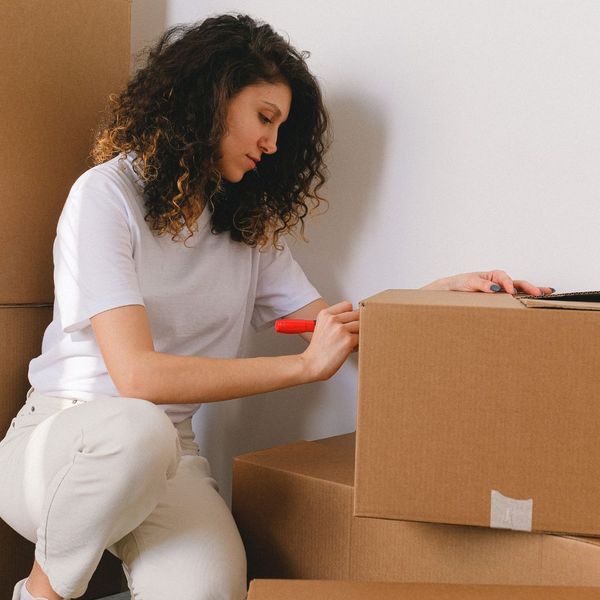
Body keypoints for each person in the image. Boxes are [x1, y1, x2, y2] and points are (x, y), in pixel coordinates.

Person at [0, 14, 552, 600]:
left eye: (281, 127)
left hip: (168, 452)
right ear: (209, 100)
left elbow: (331, 327)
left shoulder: (246, 228)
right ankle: (41, 593)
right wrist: (302, 368)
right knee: (139, 429)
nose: (273, 143)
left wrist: (434, 298)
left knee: (209, 590)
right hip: (67, 439)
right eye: (264, 118)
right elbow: (137, 377)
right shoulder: (105, 195)